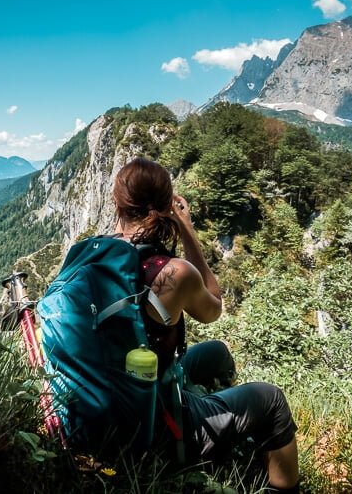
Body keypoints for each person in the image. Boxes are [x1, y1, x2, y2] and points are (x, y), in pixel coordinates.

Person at [112, 157, 299, 493]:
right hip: (156, 424)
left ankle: (230, 436)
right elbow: (214, 307)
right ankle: (278, 485)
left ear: (117, 204)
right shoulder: (172, 273)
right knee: (272, 400)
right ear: (167, 204)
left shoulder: (97, 257)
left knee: (217, 353)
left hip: (110, 399)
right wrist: (185, 226)